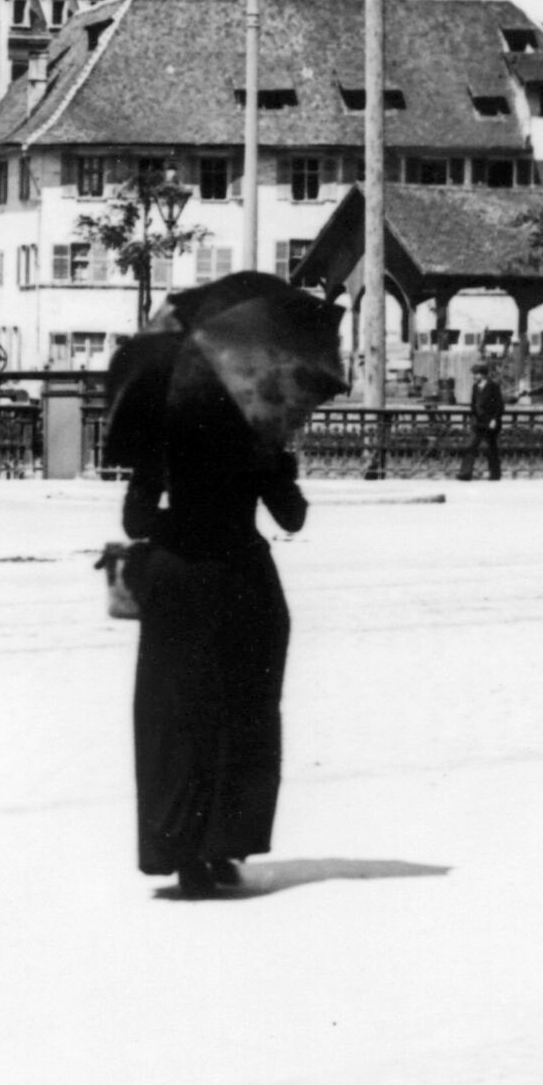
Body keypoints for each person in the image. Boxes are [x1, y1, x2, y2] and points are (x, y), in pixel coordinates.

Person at [103, 274, 338, 901]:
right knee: (243, 714)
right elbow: (292, 518)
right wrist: (281, 465)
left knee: (175, 718)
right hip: (242, 582)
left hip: (178, 582)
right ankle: (224, 843)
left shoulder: (163, 430)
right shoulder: (258, 429)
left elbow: (135, 521)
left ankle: (180, 852)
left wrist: (173, 514)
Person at [460, 355, 508, 482]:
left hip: (491, 422)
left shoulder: (493, 386)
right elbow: (473, 404)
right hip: (478, 422)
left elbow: (500, 406)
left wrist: (494, 420)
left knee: (491, 448)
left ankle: (495, 474)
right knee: (470, 446)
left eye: (476, 374)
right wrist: (473, 416)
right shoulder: (475, 387)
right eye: (474, 374)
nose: (474, 376)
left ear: (483, 375)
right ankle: (465, 473)